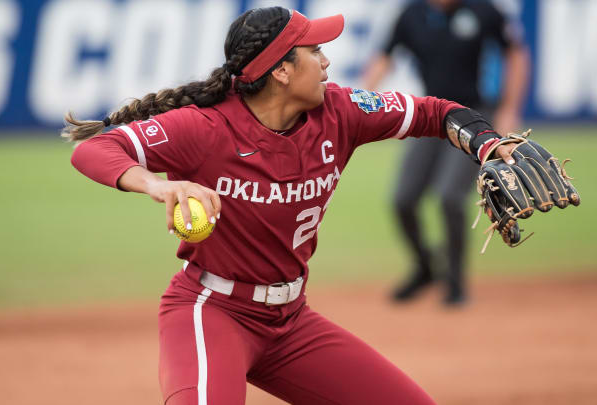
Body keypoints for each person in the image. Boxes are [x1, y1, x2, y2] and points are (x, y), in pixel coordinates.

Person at [65, 7, 520, 405]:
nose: (327, 61)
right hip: (212, 312)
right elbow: (94, 150)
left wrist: (487, 143)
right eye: (315, 51)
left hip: (291, 323)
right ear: (281, 71)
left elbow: (433, 112)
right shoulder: (205, 128)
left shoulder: (341, 111)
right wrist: (158, 187)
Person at [362, 0, 530, 305]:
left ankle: (455, 283)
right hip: (431, 117)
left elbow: (516, 53)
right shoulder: (411, 14)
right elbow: (384, 57)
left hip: (474, 116)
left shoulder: (483, 11)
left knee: (450, 196)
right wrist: (362, 101)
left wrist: (510, 108)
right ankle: (426, 267)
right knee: (403, 199)